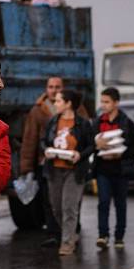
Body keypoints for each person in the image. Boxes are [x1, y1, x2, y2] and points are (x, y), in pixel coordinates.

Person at [20, 77, 89, 247]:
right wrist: (26, 166)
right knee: (52, 202)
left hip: (73, 166)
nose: (53, 89)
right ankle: (55, 233)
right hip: (49, 164)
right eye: (50, 87)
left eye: (57, 87)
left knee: (71, 203)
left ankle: (71, 235)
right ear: (46, 88)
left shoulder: (78, 111)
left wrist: (82, 155)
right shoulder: (39, 111)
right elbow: (31, 138)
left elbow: (88, 137)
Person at [41, 89, 95, 256]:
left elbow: (91, 145)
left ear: (68, 103)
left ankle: (67, 243)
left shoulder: (83, 124)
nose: (55, 104)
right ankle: (71, 233)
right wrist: (46, 150)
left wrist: (80, 155)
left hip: (74, 171)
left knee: (69, 207)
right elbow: (43, 141)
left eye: (58, 101)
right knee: (57, 208)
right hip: (54, 170)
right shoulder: (53, 121)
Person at [93, 87, 134, 249]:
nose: (103, 105)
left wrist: (121, 154)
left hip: (121, 170)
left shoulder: (126, 123)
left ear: (116, 103)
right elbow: (89, 144)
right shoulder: (98, 122)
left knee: (120, 204)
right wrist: (96, 144)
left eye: (107, 102)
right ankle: (103, 235)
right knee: (103, 202)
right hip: (103, 169)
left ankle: (119, 236)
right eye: (102, 102)